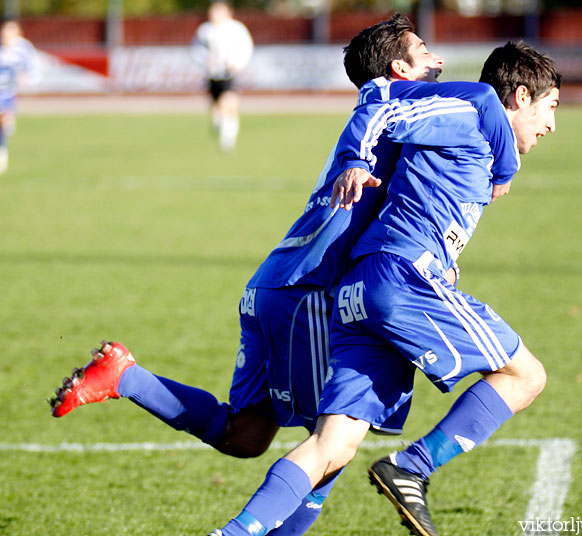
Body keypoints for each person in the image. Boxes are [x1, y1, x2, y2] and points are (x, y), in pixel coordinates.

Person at [49, 14, 478, 536]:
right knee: (331, 446)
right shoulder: (398, 111)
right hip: (312, 292)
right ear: (398, 68)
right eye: (425, 50)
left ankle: (124, 376)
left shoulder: (386, 118)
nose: (438, 60)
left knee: (246, 433)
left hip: (273, 282)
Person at [208, 41, 560, 536]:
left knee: (332, 446)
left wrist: (503, 165)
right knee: (526, 376)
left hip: (360, 291)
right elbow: (383, 107)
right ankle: (412, 467)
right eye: (551, 107)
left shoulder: (483, 131)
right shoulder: (472, 111)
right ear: (522, 96)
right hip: (402, 278)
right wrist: (355, 158)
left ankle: (235, 532)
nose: (551, 124)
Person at [192, 1, 253, 151]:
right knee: (216, 109)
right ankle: (219, 124)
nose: (215, 15)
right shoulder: (205, 31)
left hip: (229, 74)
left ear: (228, 12)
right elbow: (195, 50)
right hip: (212, 75)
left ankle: (227, 142)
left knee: (229, 105)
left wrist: (237, 63)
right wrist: (205, 61)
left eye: (218, 11)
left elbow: (246, 48)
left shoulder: (236, 29)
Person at [0, 20, 39, 174]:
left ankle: (2, 153)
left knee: (4, 124)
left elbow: (34, 71)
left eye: (10, 31)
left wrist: (26, 79)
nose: (6, 35)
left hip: (7, 94)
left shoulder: (23, 49)